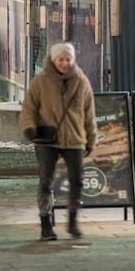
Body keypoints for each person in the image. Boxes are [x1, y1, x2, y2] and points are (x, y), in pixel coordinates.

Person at [20, 42, 97, 241]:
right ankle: (46, 223)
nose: (64, 63)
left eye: (68, 59)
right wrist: (29, 128)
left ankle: (72, 221)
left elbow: (89, 114)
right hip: (48, 139)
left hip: (74, 138)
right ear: (53, 60)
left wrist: (91, 139)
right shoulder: (41, 81)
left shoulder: (81, 81)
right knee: (46, 181)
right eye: (61, 59)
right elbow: (29, 107)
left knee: (77, 181)